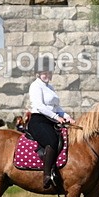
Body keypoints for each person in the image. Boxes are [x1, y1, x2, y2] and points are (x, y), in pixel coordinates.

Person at [27, 57, 75, 189]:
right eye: (44, 73)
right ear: (39, 73)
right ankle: (47, 175)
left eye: (49, 73)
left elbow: (57, 107)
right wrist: (56, 117)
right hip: (38, 120)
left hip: (50, 121)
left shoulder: (50, 87)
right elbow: (39, 106)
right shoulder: (35, 86)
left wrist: (67, 117)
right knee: (52, 141)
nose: (47, 75)